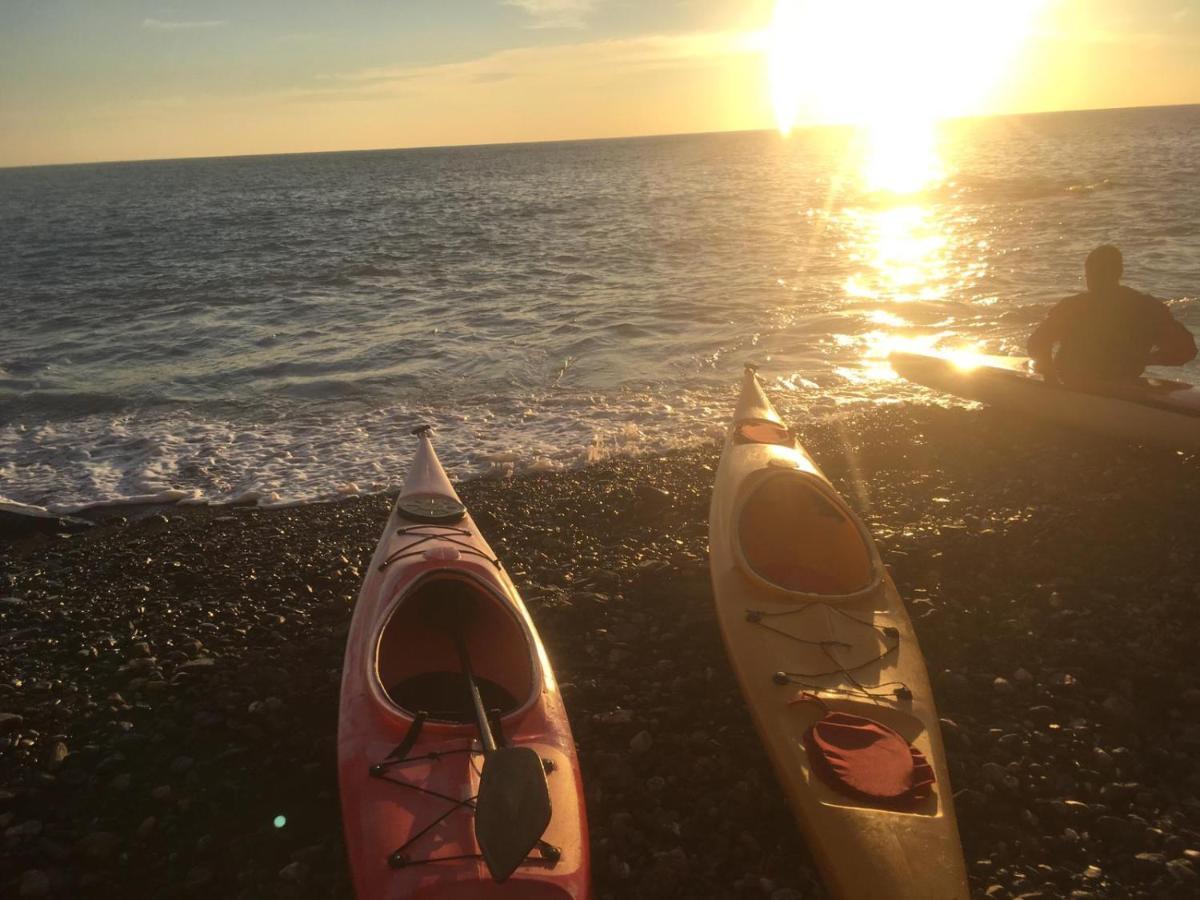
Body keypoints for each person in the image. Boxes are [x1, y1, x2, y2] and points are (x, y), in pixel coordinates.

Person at [1028, 245, 1196, 383]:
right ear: (1119, 272)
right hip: (1123, 388)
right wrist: (1147, 359)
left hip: (1075, 387)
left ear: (1088, 275)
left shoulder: (1073, 307)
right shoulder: (1147, 308)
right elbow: (1186, 349)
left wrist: (1051, 380)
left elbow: (1036, 343)